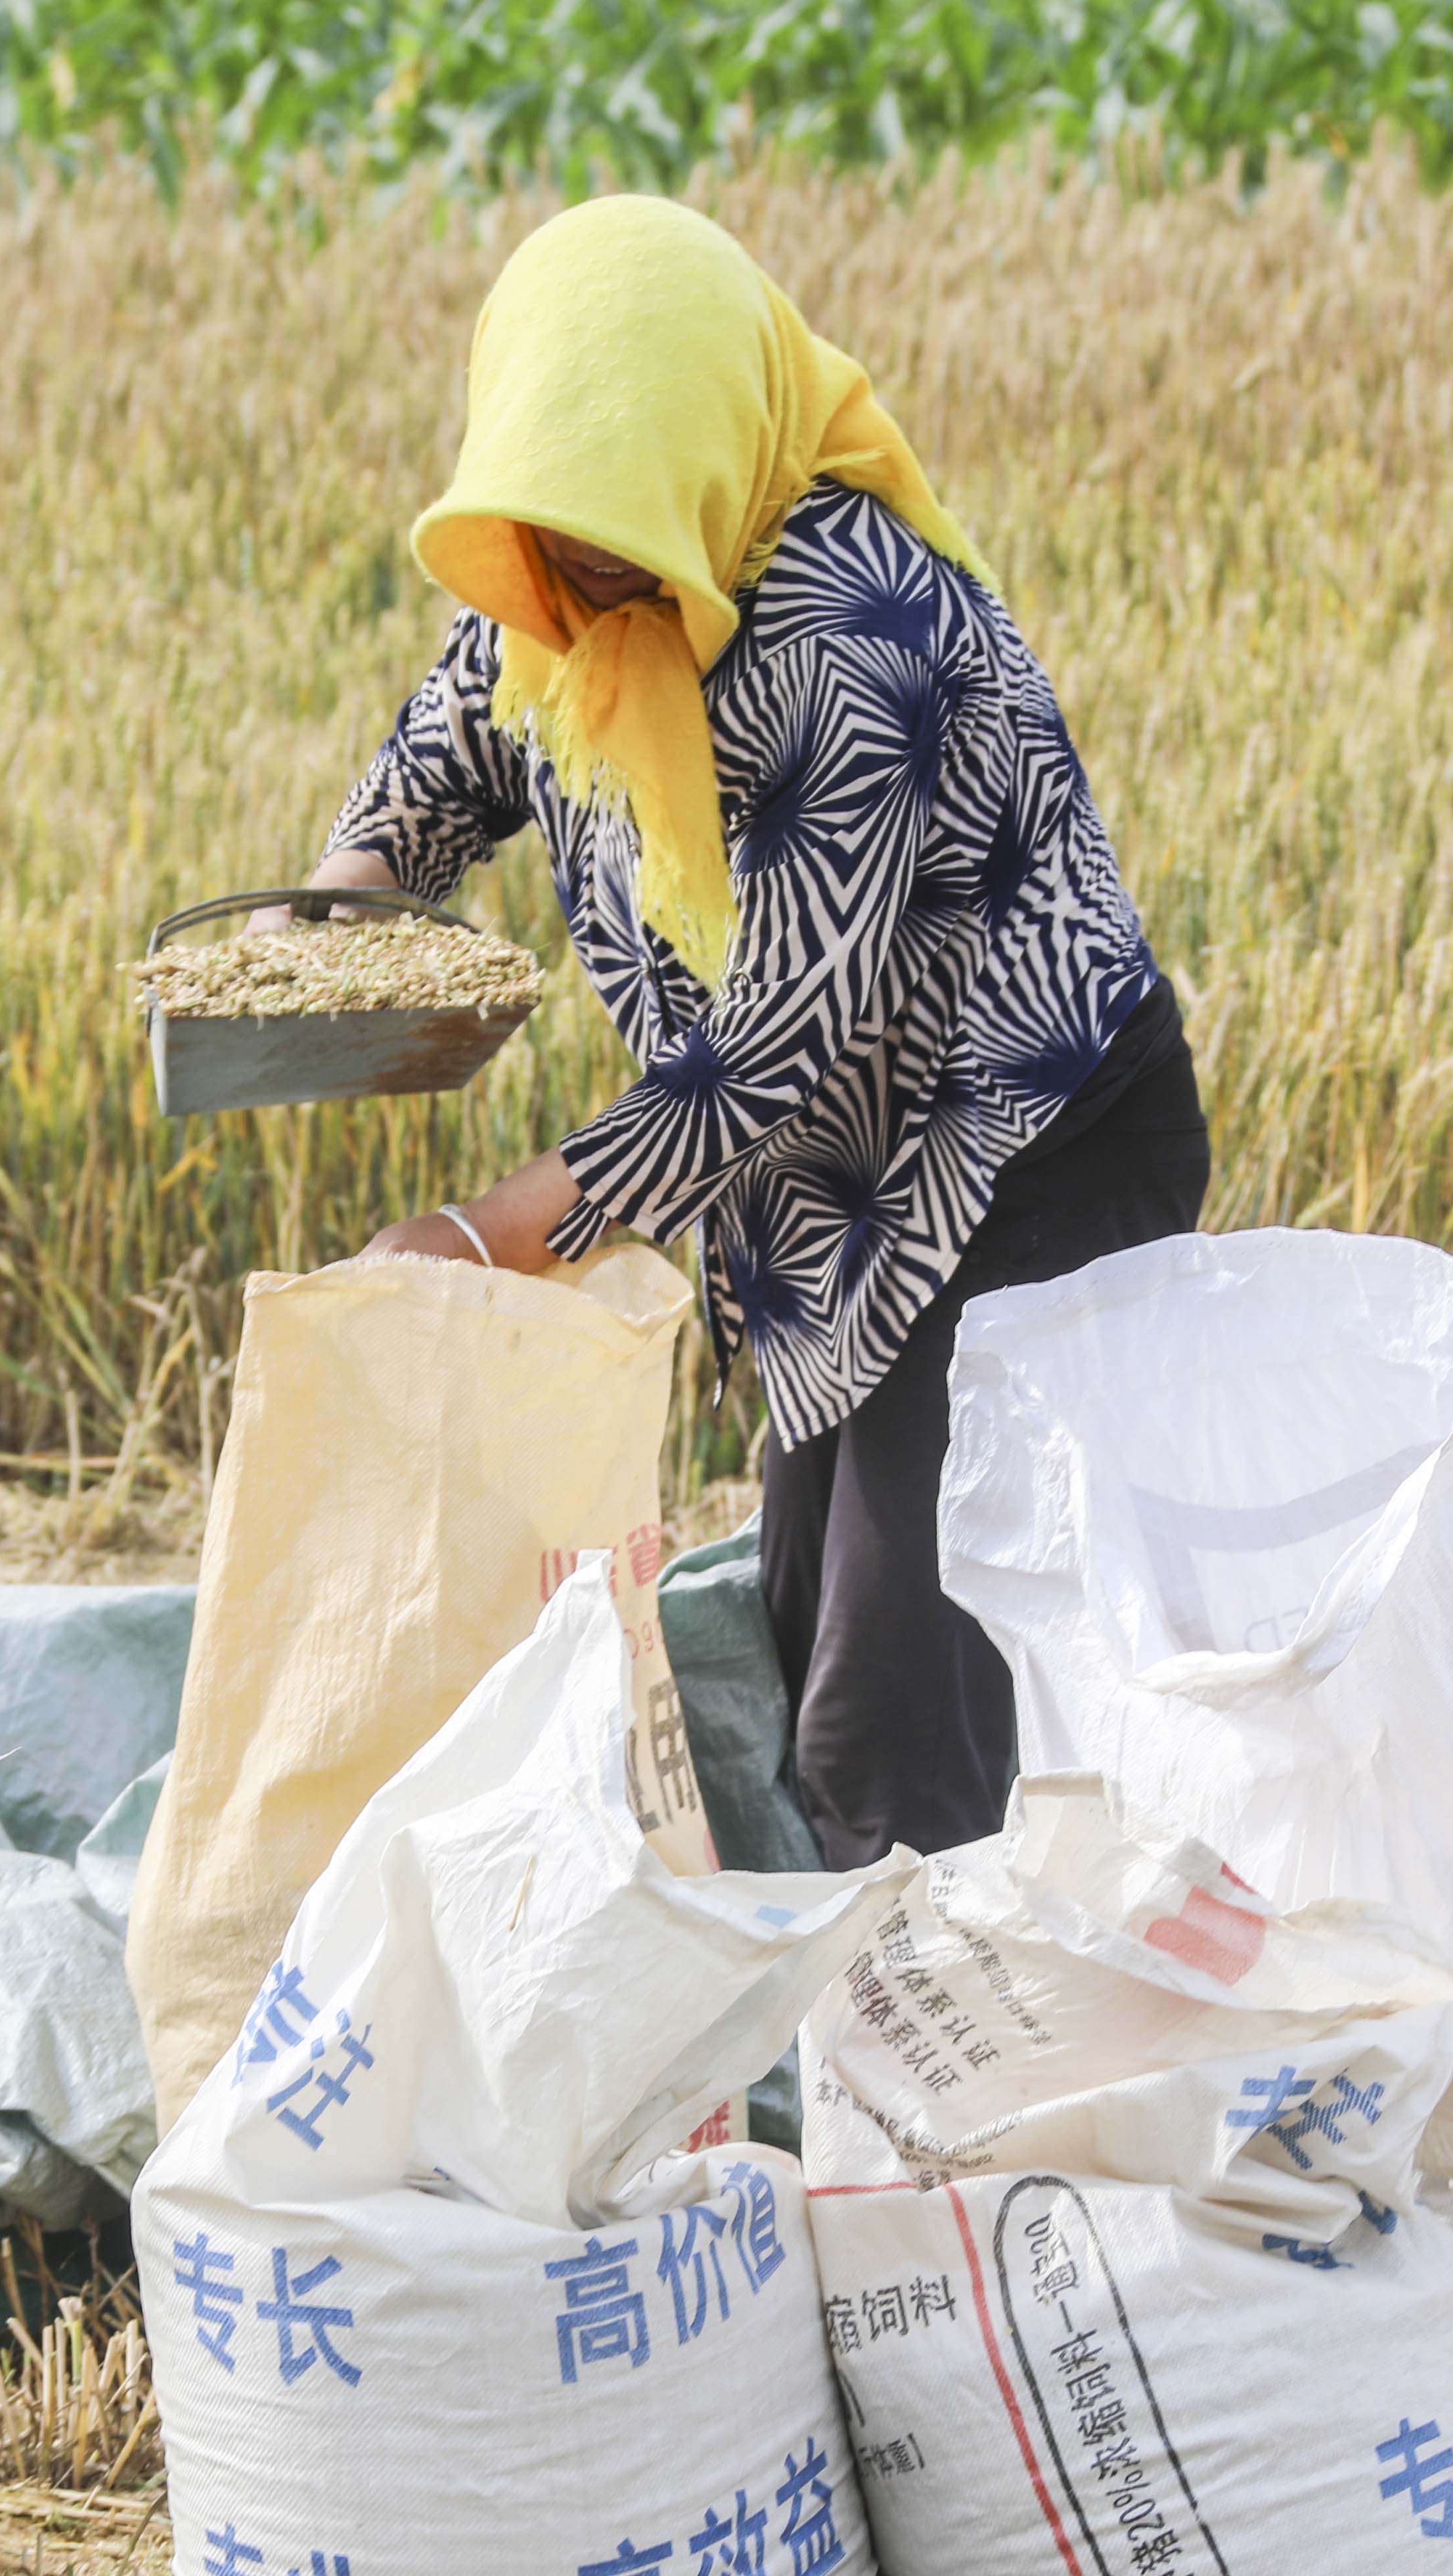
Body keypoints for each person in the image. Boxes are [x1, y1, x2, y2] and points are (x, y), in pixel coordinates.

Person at [277, 196, 1208, 1868]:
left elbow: (770, 1057)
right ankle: (927, 1989)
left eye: (623, 535)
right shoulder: (573, 574)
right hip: (843, 1181)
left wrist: (484, 1238)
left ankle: (960, 2098)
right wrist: (344, 901)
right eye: (559, 538)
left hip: (1021, 1145)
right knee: (803, 1619)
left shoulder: (851, 641)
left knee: (889, 1695)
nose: (585, 581)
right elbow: (461, 734)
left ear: (712, 458)